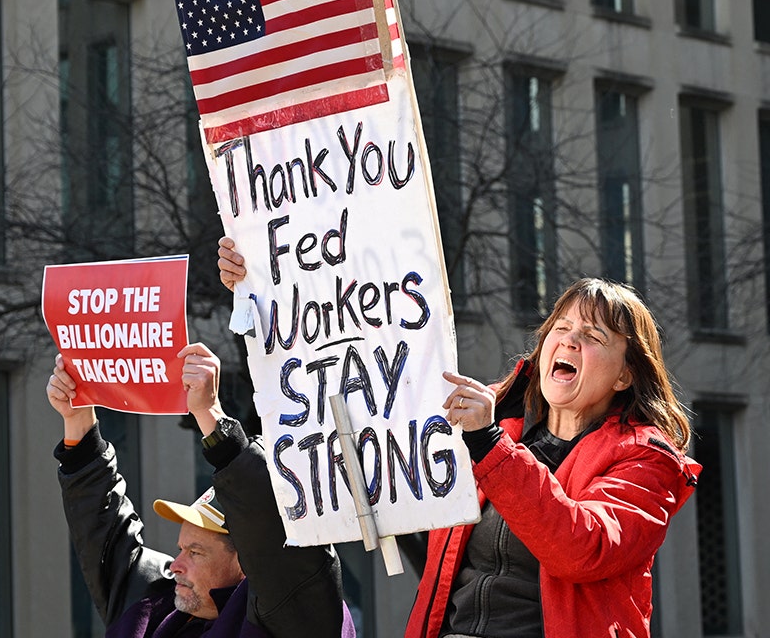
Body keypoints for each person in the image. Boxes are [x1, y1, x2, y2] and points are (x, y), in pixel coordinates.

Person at [217, 239, 701, 638]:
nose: (569, 341)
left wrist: (491, 445)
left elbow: (583, 547)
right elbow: (364, 388)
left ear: (625, 377)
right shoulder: (494, 427)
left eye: (594, 337)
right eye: (562, 326)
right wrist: (263, 286)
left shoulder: (647, 461)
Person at [48, 342, 355, 638]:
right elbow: (106, 539)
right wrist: (78, 426)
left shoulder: (294, 614)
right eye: (182, 549)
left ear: (246, 562)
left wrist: (211, 415)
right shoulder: (157, 610)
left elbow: (273, 534)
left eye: (196, 552)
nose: (176, 566)